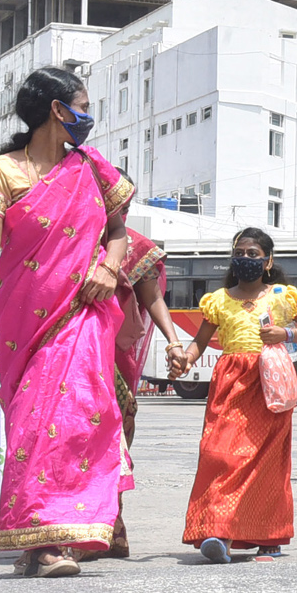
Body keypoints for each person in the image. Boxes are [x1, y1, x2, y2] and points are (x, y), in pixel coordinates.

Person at [0, 66, 133, 578]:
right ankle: (38, 538)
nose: (89, 116)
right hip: (22, 322)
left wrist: (108, 268)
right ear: (58, 110)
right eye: (83, 107)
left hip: (81, 315)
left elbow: (118, 234)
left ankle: (58, 538)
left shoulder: (92, 169)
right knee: (34, 424)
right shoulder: (3, 171)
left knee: (79, 418)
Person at [172, 227, 297, 563]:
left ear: (267, 261)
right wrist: (186, 359)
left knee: (266, 461)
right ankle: (219, 531)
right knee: (220, 455)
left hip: (270, 384)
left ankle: (267, 535)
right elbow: (199, 343)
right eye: (239, 253)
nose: (245, 259)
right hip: (230, 384)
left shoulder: (282, 296)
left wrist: (285, 334)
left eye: (253, 254)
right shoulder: (218, 300)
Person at [106, 171, 187, 557]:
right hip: (68, 353)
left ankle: (111, 524)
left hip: (113, 360)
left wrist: (174, 342)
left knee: (116, 440)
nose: (118, 209)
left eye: (124, 203)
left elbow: (152, 298)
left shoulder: (136, 249)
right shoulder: (67, 241)